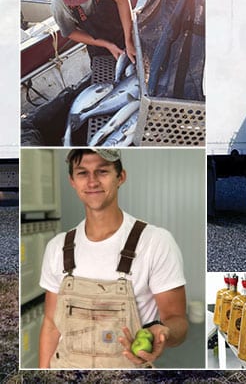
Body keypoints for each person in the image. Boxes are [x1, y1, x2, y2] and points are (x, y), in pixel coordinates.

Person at [39, 149, 187, 368]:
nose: (92, 182)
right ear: (72, 181)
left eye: (102, 171)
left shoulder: (156, 242)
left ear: (121, 177)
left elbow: (178, 320)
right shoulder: (57, 247)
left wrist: (163, 331)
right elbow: (51, 324)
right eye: (82, 173)